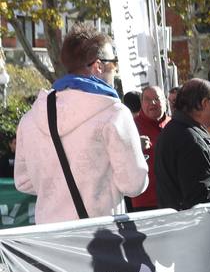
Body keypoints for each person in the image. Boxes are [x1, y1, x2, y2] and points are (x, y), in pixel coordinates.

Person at [14, 25, 148, 224]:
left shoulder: (30, 118)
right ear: (98, 66)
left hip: (49, 240)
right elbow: (134, 184)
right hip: (100, 237)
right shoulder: (115, 113)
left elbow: (23, 181)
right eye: (114, 63)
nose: (116, 70)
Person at [154, 78, 210, 210]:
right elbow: (200, 200)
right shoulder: (189, 140)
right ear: (204, 103)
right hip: (207, 227)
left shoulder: (181, 132)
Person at [130, 84, 169, 210]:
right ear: (141, 103)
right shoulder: (130, 127)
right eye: (147, 99)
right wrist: (134, 147)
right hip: (144, 201)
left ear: (165, 101)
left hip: (174, 200)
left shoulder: (174, 125)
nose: (152, 103)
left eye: (157, 99)